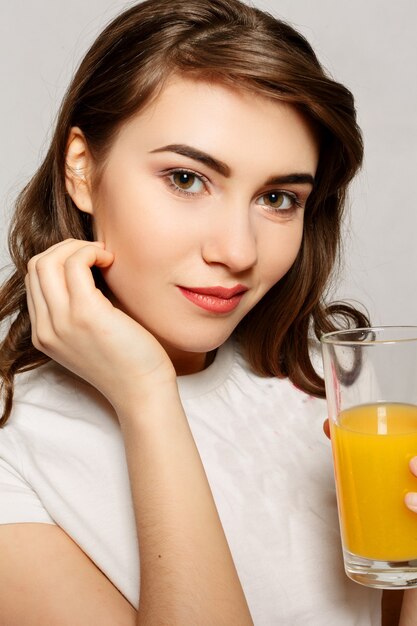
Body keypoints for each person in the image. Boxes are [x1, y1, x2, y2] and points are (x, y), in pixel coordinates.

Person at [0, 0, 416, 623]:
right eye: (188, 179)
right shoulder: (15, 449)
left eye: (278, 197)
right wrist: (146, 396)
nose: (238, 251)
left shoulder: (325, 385)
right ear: (81, 168)